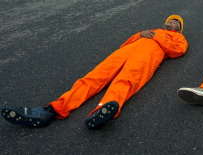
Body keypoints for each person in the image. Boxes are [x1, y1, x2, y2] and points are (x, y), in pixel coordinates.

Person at [1, 15, 187, 129]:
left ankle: (102, 110)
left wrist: (158, 38)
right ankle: (51, 110)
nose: (172, 22)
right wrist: (139, 34)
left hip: (148, 55)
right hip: (125, 52)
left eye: (176, 22)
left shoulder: (178, 37)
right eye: (170, 20)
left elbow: (178, 51)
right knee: (94, 77)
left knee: (127, 79)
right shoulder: (149, 30)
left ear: (179, 28)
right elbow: (125, 44)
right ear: (164, 22)